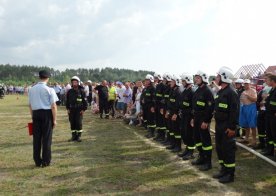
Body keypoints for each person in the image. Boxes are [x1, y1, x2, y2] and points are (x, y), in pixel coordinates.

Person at [213, 67, 238, 183]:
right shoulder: (221, 91)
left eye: (218, 76)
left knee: (228, 150)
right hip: (219, 125)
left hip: (227, 126)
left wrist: (232, 127)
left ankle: (230, 174)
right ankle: (223, 169)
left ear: (224, 77)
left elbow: (234, 112)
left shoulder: (231, 93)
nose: (216, 78)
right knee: (220, 148)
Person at [28, 70, 58, 167]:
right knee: (46, 138)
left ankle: (37, 161)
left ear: (39, 77)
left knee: (36, 139)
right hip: (46, 114)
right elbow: (53, 106)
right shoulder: (49, 89)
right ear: (48, 78)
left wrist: (33, 117)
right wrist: (54, 119)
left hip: (36, 114)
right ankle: (46, 161)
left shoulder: (32, 89)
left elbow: (30, 105)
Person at [191, 70, 214, 171]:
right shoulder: (197, 90)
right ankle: (201, 157)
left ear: (204, 79)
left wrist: (206, 121)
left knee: (205, 141)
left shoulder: (207, 91)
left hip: (203, 120)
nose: (196, 79)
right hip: (196, 118)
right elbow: (194, 106)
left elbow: (210, 108)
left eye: (198, 77)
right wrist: (193, 118)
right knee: (197, 139)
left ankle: (208, 163)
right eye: (195, 77)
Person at [178, 73, 195, 160]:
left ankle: (191, 152)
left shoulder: (192, 92)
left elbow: (193, 107)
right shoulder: (185, 91)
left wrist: (192, 117)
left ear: (188, 81)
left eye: (183, 81)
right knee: (184, 133)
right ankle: (187, 149)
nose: (182, 82)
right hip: (184, 115)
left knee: (189, 134)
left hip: (189, 116)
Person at [66, 76, 88, 142]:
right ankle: (73, 136)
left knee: (78, 123)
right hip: (71, 110)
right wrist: (68, 108)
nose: (74, 84)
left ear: (78, 83)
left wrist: (83, 110)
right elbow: (67, 101)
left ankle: (78, 136)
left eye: (76, 82)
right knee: (72, 123)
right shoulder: (70, 91)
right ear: (72, 83)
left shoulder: (82, 91)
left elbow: (85, 101)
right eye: (73, 82)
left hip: (79, 110)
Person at [239, 79, 257, 146]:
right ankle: (246, 138)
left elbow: (255, 99)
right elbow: (241, 100)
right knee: (246, 125)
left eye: (247, 84)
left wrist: (247, 95)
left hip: (251, 108)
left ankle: (254, 140)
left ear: (250, 84)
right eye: (245, 84)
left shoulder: (253, 90)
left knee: (252, 125)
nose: (245, 85)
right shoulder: (243, 91)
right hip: (244, 108)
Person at [165, 75, 182, 152]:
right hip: (170, 113)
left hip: (175, 114)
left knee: (176, 131)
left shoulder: (178, 92)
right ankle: (173, 144)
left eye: (172, 81)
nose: (170, 83)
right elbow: (169, 102)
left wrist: (175, 114)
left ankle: (178, 146)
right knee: (172, 129)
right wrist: (168, 111)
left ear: (176, 82)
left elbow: (178, 105)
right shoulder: (172, 90)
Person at [263, 73, 276, 159]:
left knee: (275, 134)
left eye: (267, 79)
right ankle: (270, 150)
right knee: (270, 134)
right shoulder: (272, 90)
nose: (265, 81)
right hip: (269, 115)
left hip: (274, 116)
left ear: (272, 81)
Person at [153, 73, 166, 141]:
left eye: (156, 78)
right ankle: (159, 134)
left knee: (161, 122)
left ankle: (162, 136)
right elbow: (156, 95)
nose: (155, 79)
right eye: (154, 78)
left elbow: (164, 97)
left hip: (161, 106)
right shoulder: (157, 86)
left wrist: (162, 107)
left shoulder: (163, 86)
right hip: (157, 106)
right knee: (157, 121)